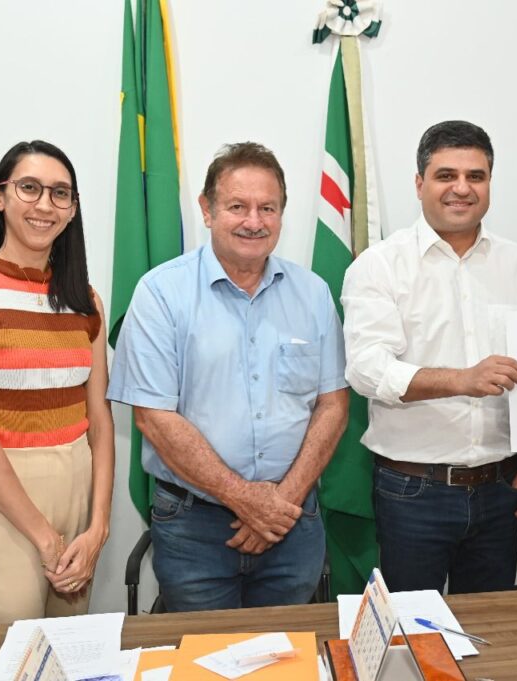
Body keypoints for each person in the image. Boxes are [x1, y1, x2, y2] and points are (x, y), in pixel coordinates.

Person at [107, 142, 348, 612]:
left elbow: (333, 404)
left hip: (292, 521)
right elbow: (154, 418)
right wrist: (246, 500)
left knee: (288, 648)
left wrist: (280, 503)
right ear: (207, 209)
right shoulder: (161, 293)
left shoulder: (313, 293)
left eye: (267, 208)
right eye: (237, 206)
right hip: (195, 528)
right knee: (204, 649)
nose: (253, 221)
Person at [342, 120, 517, 593]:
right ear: (420, 184)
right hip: (413, 492)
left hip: (501, 487)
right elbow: (367, 370)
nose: (462, 188)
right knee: (415, 628)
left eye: (476, 176)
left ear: (490, 182)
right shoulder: (380, 265)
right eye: (445, 175)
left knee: (491, 624)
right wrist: (462, 379)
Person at [0, 140, 114, 625]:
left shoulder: (86, 300)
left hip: (78, 501)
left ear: (72, 210)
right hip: (7, 509)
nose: (44, 205)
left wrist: (98, 526)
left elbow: (100, 420)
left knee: (70, 656)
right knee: (11, 656)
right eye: (29, 188)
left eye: (60, 194)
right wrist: (44, 538)